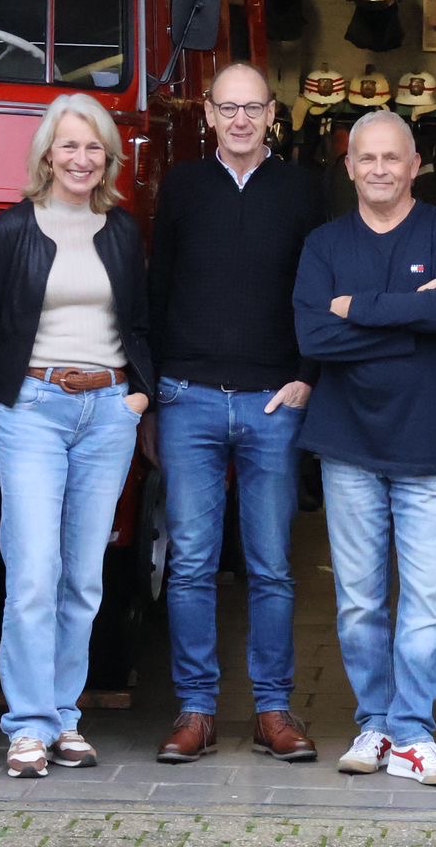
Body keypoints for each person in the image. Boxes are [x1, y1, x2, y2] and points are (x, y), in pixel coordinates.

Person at [0, 93, 153, 778]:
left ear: (108, 156)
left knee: (83, 579)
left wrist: (139, 396)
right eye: (68, 145)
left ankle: (65, 717)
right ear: (47, 154)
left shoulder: (123, 231)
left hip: (106, 413)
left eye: (93, 146)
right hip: (32, 409)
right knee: (34, 573)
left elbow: (142, 324)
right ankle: (28, 726)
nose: (80, 158)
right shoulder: (14, 229)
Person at [293, 111, 436, 787]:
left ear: (415, 163)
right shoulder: (323, 243)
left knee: (426, 603)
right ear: (348, 167)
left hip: (427, 446)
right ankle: (375, 723)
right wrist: (409, 318)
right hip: (347, 445)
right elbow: (314, 340)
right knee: (361, 603)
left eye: (391, 158)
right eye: (365, 158)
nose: (378, 169)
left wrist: (357, 308)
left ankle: (413, 734)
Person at [148, 63, 323, 765]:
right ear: (209, 114)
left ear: (272, 113)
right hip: (187, 394)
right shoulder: (184, 187)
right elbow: (157, 290)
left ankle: (273, 711)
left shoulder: (303, 189)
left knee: (273, 564)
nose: (242, 119)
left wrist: (309, 378)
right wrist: (151, 395)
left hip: (272, 398)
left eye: (254, 107)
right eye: (229, 108)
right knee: (191, 562)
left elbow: (319, 290)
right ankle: (196, 711)